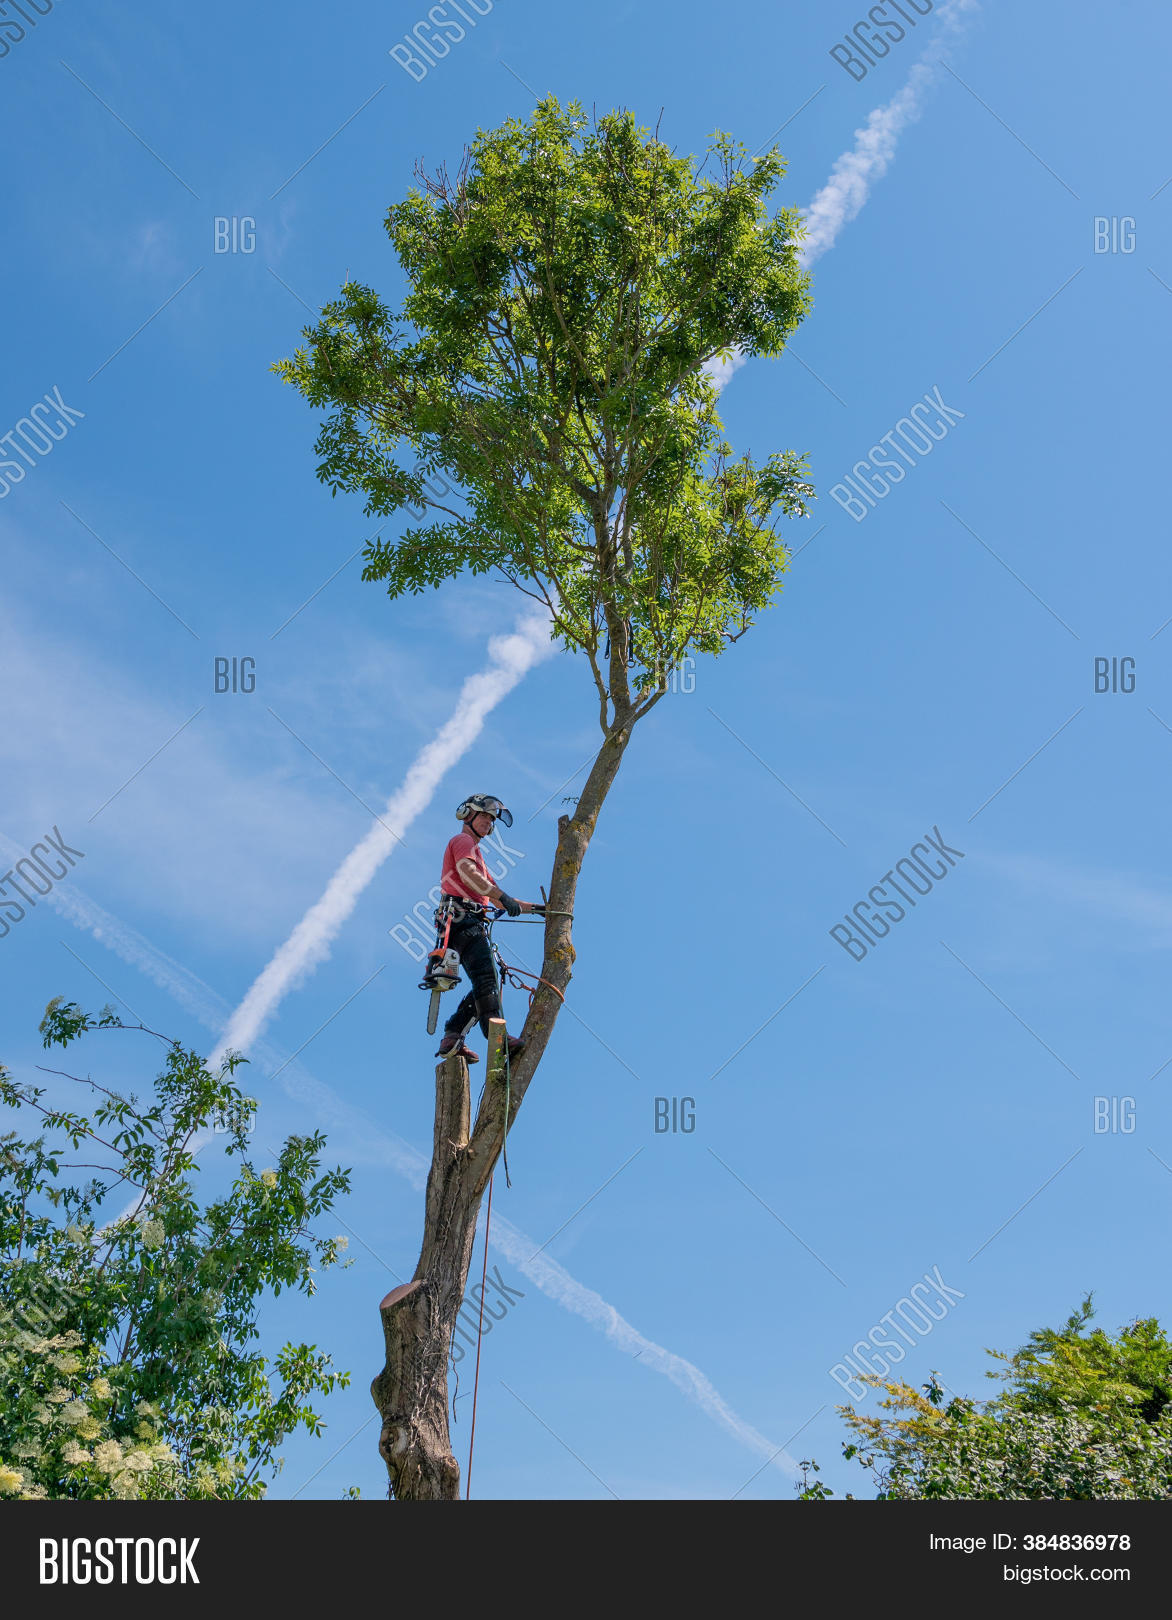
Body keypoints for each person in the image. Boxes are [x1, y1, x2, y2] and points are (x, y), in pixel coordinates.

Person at [434, 794, 542, 1064]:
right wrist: (501, 896)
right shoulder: (463, 842)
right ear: (468, 815)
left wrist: (541, 910)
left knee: (487, 981)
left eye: (492, 819)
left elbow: (497, 898)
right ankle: (497, 1039)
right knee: (487, 980)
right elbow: (468, 873)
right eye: (484, 815)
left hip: (467, 922)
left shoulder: (477, 856)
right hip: (462, 919)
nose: (488, 822)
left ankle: (453, 1034)